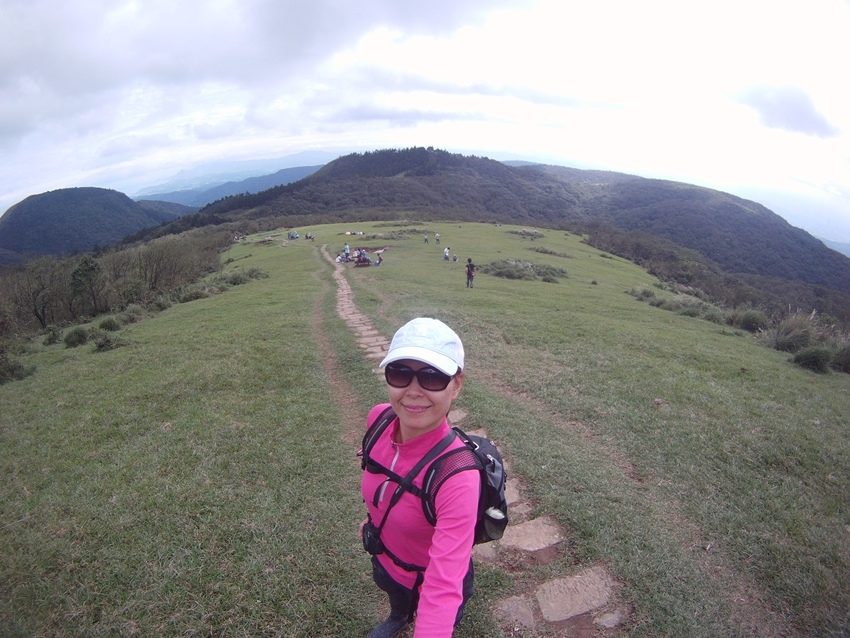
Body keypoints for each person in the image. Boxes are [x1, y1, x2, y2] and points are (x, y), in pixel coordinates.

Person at [359, 318, 478, 638]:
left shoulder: (458, 477)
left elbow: (442, 587)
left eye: (432, 377)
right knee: (397, 599)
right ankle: (398, 616)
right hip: (385, 561)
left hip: (426, 579)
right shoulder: (380, 419)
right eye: (400, 373)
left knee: (429, 604)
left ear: (456, 385)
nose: (413, 391)